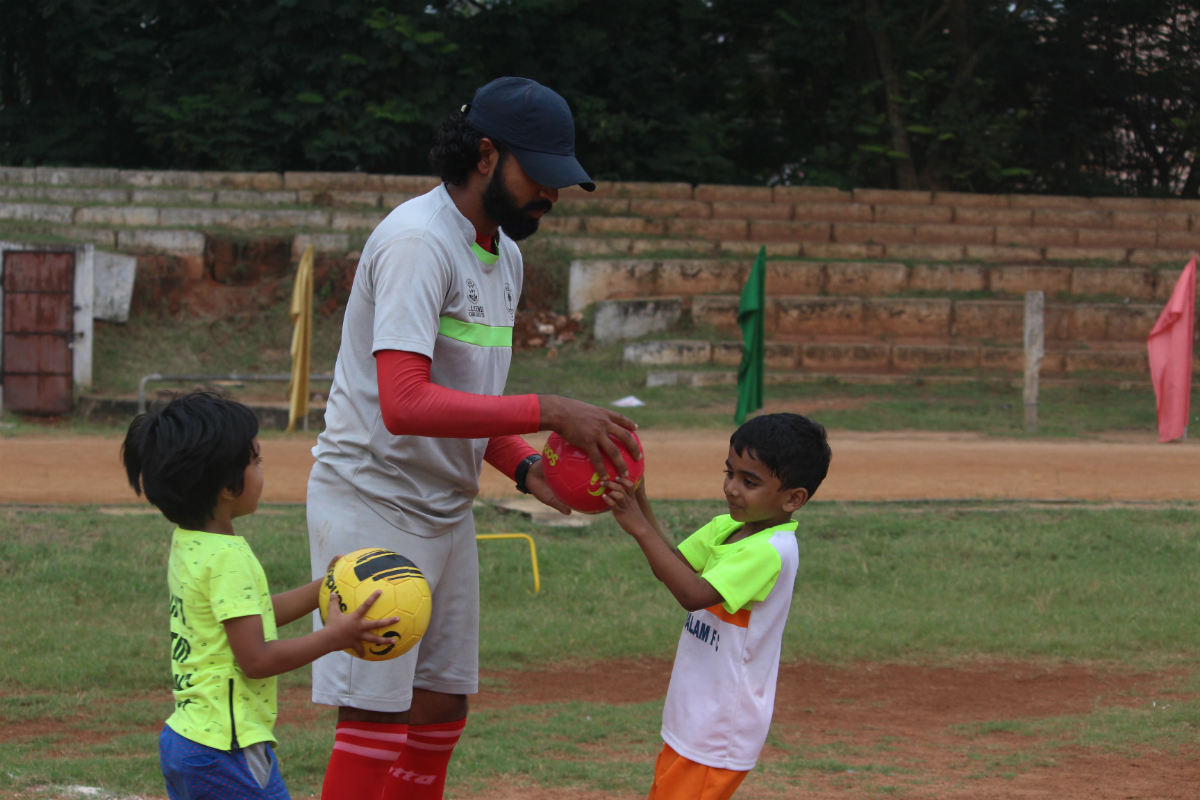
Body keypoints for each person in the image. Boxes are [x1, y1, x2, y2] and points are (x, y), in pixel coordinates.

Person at [307, 76, 642, 800]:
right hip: (374, 501)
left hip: (445, 506)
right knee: (374, 715)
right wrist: (550, 410)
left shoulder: (504, 256)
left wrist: (530, 471)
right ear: (486, 155)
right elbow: (404, 404)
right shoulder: (417, 243)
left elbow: (474, 405)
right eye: (539, 175)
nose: (550, 194)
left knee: (439, 707)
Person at [121, 391, 396, 800]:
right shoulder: (228, 558)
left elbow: (253, 615)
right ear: (226, 485)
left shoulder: (191, 543)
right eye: (256, 461)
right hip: (226, 750)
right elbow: (257, 659)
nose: (262, 469)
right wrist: (333, 638)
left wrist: (325, 587)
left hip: (187, 739)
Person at [602, 413, 832, 800]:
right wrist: (638, 492)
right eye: (730, 473)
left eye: (749, 482)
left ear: (793, 498)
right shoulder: (726, 527)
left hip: (720, 724)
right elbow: (672, 566)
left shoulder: (770, 550)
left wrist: (637, 525)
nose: (732, 488)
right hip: (693, 713)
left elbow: (692, 594)